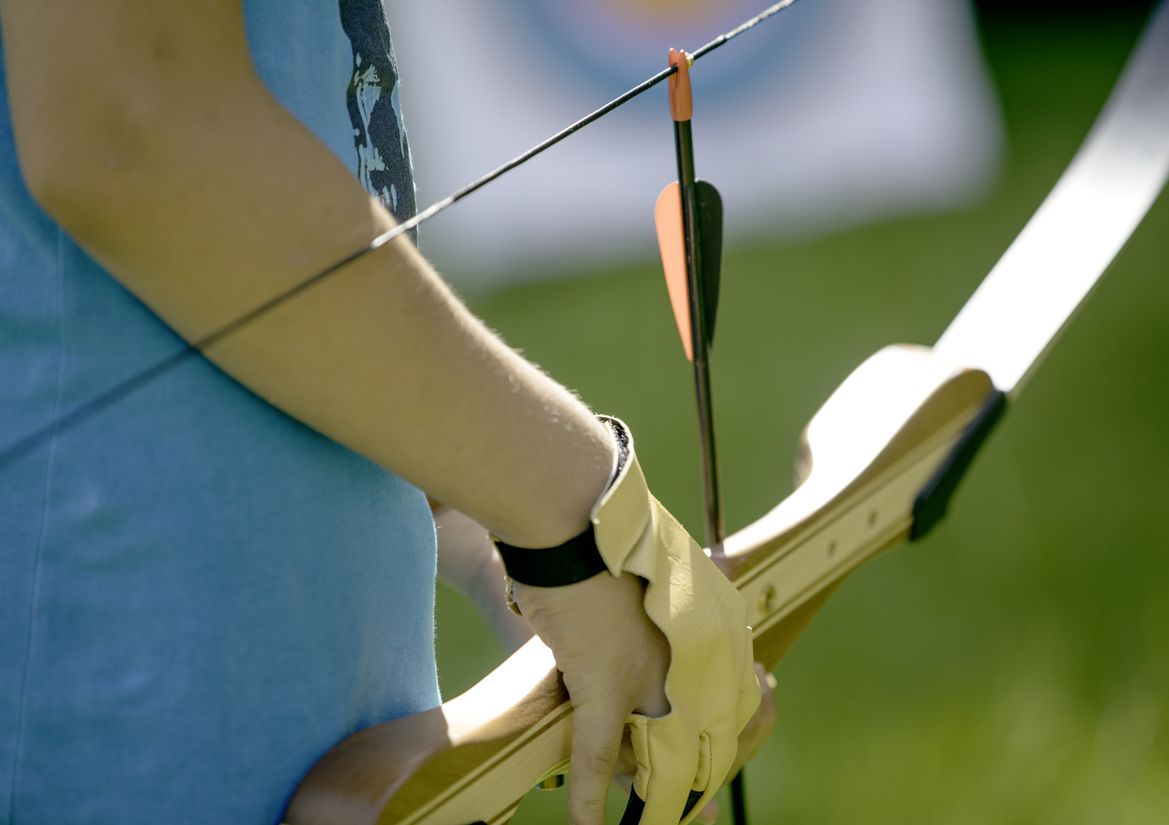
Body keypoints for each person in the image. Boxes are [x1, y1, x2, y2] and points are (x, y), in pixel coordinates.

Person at [0, 2, 764, 824]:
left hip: (279, 713)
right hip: (119, 715)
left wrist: (485, 537)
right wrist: (577, 515)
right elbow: (132, 121)